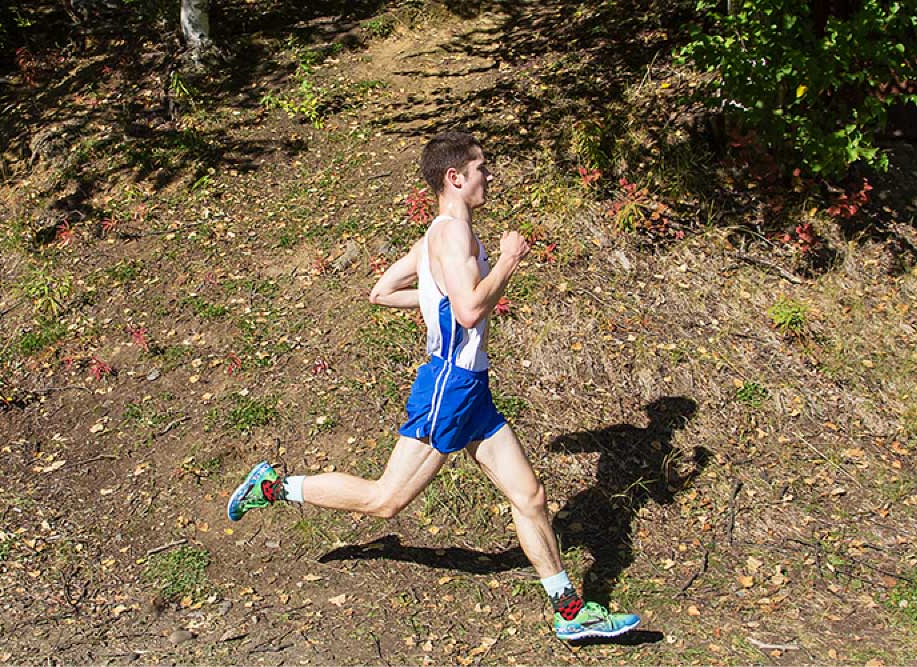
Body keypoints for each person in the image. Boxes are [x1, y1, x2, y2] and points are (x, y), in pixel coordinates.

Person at [225, 131, 640, 641]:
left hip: (472, 386)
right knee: (386, 501)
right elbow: (467, 309)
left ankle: (570, 611)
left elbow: (382, 292)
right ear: (455, 177)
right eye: (481, 167)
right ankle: (272, 486)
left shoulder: (438, 235)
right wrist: (507, 261)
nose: (489, 175)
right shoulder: (450, 236)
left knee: (529, 495)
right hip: (450, 383)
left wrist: (442, 302)